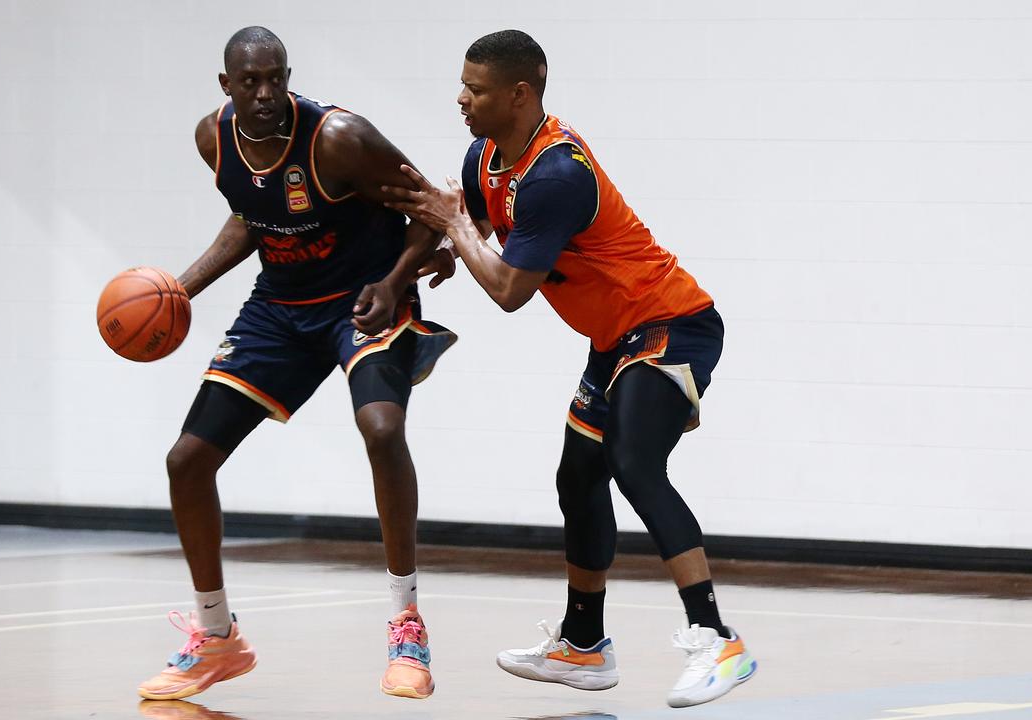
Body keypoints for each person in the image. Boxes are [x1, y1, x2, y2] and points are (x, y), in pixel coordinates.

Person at [385, 29, 756, 708]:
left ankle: (717, 639)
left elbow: (508, 292)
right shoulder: (487, 158)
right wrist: (445, 252)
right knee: (578, 474)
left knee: (634, 463)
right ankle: (583, 646)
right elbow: (482, 232)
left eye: (476, 88)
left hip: (673, 324)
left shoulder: (557, 173)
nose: (461, 99)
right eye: (462, 84)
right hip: (616, 338)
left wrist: (457, 233)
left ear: (520, 94)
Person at [136, 26, 457, 703]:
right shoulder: (213, 139)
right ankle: (217, 636)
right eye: (249, 82)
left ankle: (407, 624)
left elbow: (432, 208)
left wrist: (397, 280)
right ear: (226, 86)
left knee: (380, 429)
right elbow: (253, 217)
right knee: (185, 461)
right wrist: (180, 289)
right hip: (280, 307)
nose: (264, 93)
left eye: (274, 78)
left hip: (364, 299)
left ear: (288, 76)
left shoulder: (340, 138)